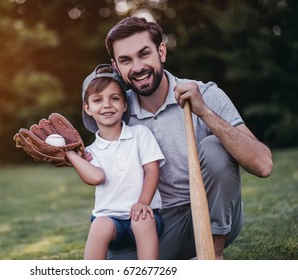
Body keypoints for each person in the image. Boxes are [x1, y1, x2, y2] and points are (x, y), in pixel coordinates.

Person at [103, 17, 273, 260]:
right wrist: (69, 154)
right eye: (126, 60)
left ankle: (211, 259)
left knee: (215, 147)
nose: (138, 67)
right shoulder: (118, 110)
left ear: (161, 51)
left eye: (144, 54)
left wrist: (204, 111)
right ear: (116, 66)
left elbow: (264, 165)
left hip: (216, 215)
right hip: (160, 222)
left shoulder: (205, 94)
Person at [65, 64, 166, 259]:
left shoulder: (139, 134)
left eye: (115, 98)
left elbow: (152, 170)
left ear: (125, 104)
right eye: (97, 100)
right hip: (111, 222)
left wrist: (143, 203)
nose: (107, 105)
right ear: (87, 108)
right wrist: (71, 155)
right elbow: (96, 177)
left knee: (142, 219)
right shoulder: (89, 152)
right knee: (99, 225)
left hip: (145, 214)